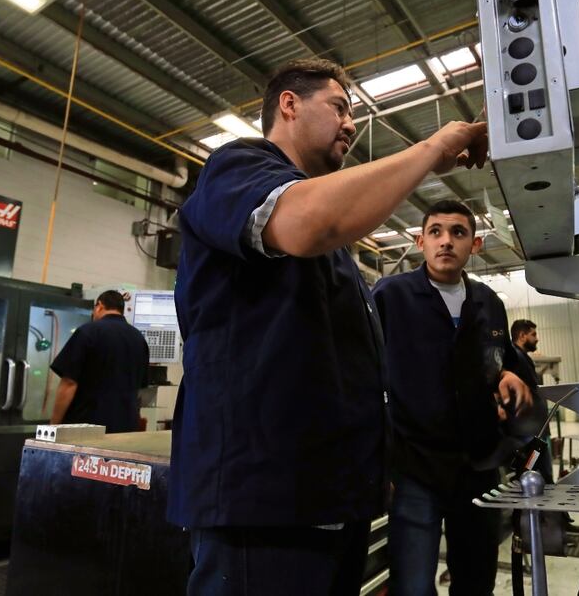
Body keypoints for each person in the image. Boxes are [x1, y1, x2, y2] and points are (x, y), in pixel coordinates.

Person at [169, 58, 488, 596]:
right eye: (339, 107)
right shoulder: (237, 167)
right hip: (264, 504)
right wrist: (432, 149)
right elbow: (307, 221)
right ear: (289, 104)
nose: (351, 123)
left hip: (329, 500)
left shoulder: (335, 249)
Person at [371, 199, 533, 596]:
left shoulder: (488, 303)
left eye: (458, 233)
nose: (446, 242)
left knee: (476, 581)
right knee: (412, 582)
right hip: (414, 466)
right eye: (436, 232)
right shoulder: (391, 296)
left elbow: (497, 363)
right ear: (420, 241)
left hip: (477, 467)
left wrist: (509, 375)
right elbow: (363, 376)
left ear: (475, 245)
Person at [49, 290, 149, 433]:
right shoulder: (139, 339)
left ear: (99, 306)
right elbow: (140, 389)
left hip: (88, 429)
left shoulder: (88, 332)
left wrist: (53, 427)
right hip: (126, 429)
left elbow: (69, 383)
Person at [510, 319, 553, 481]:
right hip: (527, 431)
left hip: (536, 429)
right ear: (522, 336)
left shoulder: (523, 357)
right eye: (533, 334)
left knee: (540, 472)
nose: (537, 338)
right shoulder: (514, 357)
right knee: (529, 473)